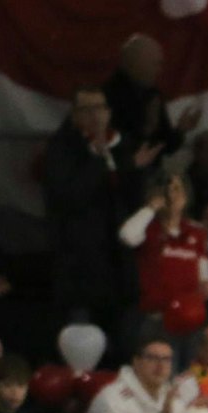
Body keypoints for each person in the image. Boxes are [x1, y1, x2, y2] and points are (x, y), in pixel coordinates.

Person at [45, 86, 147, 337]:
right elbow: (68, 197)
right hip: (80, 269)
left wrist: (133, 170)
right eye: (87, 109)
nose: (95, 115)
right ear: (74, 115)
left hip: (119, 268)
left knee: (121, 342)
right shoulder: (62, 149)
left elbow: (134, 201)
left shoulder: (121, 145)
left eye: (100, 108)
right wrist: (97, 160)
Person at [119, 169, 208, 344]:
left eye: (177, 189)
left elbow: (204, 274)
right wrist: (151, 207)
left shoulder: (197, 232)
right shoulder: (149, 228)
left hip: (189, 318)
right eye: (167, 190)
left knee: (192, 370)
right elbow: (127, 236)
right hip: (155, 318)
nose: (172, 195)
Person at [82, 334, 179, 413]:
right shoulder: (113, 398)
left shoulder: (168, 393)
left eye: (166, 359)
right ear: (136, 362)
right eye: (152, 358)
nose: (160, 365)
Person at [103, 33, 197, 164]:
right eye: (155, 64)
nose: (159, 71)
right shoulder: (106, 97)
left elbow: (164, 146)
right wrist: (147, 128)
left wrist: (180, 130)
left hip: (148, 176)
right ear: (137, 63)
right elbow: (113, 148)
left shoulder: (152, 94)